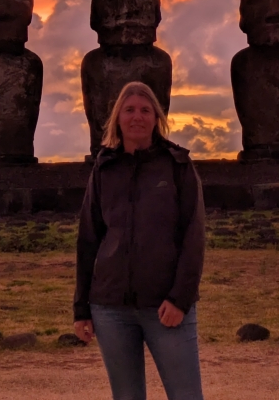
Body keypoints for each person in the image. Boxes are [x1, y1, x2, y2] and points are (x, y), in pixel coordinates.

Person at [74, 81, 206, 400]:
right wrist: (81, 308)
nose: (137, 117)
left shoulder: (177, 165)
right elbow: (88, 238)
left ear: (157, 118)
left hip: (166, 305)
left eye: (145, 110)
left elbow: (193, 236)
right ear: (117, 118)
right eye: (129, 110)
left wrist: (180, 299)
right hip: (110, 307)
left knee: (186, 395)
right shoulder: (104, 169)